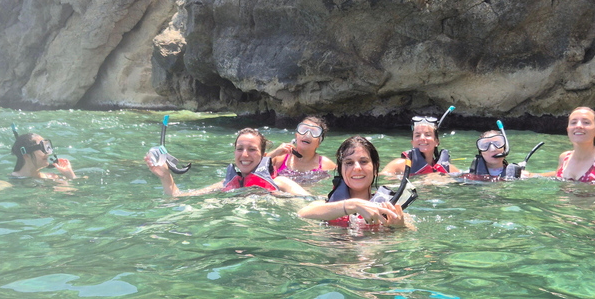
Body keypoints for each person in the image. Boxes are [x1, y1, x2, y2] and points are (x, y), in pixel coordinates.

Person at [145, 128, 310, 197]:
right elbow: (179, 197)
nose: (244, 154)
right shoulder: (227, 184)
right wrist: (165, 176)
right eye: (240, 149)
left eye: (252, 149)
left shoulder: (280, 183)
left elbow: (313, 202)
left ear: (264, 156)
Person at [298, 136, 408, 228]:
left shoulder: (389, 209)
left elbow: (410, 231)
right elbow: (302, 214)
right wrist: (353, 205)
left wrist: (399, 227)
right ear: (341, 170)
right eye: (349, 163)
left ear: (375, 168)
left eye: (363, 162)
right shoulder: (326, 206)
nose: (357, 168)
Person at [381, 110, 459, 177]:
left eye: (428, 135)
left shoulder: (449, 170)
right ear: (413, 142)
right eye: (417, 135)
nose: (422, 138)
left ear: (437, 142)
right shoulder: (398, 166)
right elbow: (379, 182)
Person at [267, 116, 337, 181]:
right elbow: (257, 166)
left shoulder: (326, 164)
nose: (308, 134)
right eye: (303, 129)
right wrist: (274, 153)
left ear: (319, 142)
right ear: (296, 136)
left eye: (314, 132)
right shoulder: (281, 157)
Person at [11, 132, 76, 180]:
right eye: (43, 148)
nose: (47, 153)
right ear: (26, 156)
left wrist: (70, 175)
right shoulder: (10, 182)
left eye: (48, 147)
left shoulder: (52, 177)